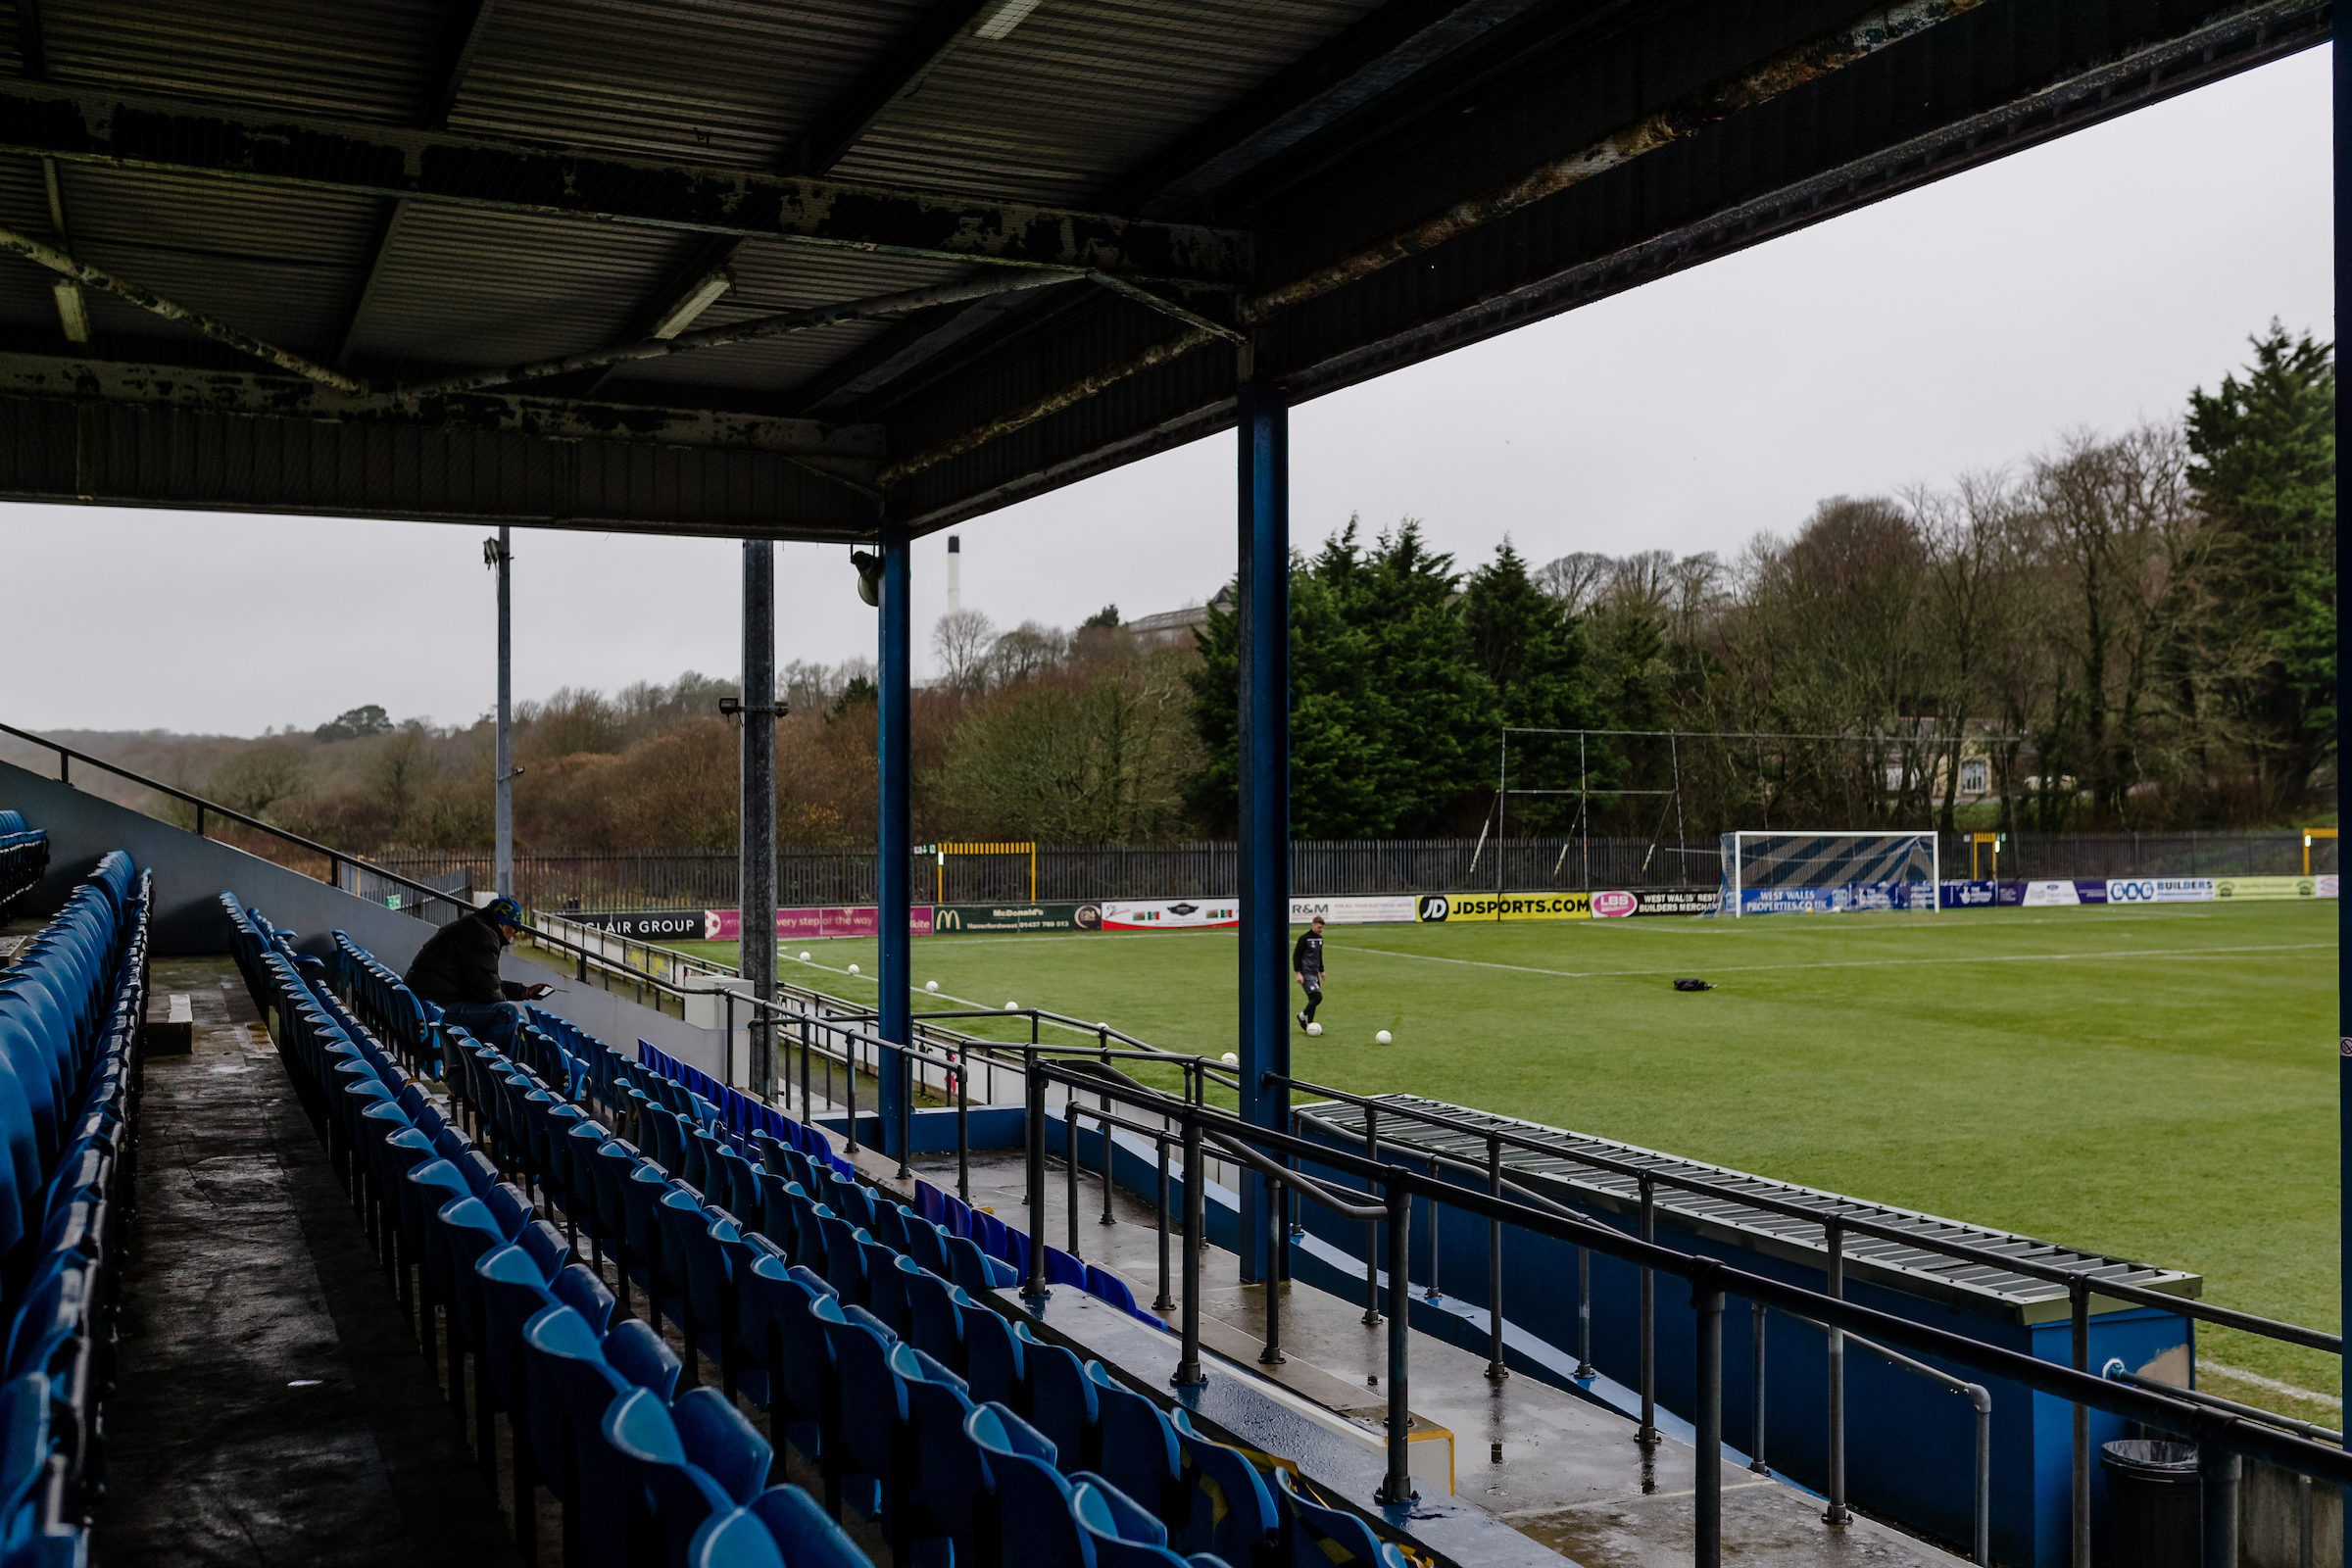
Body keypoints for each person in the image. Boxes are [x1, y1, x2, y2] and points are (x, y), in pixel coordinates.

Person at [403, 895, 552, 1049]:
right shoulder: (484, 936)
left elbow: (485, 982)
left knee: (501, 1011)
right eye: (515, 927)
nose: (516, 933)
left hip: (423, 1003)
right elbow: (488, 992)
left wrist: (524, 992)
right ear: (502, 924)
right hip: (436, 1006)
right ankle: (485, 1065)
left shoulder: (472, 927)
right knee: (508, 1014)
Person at [1294, 914, 1327, 1032]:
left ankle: (1310, 1025)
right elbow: (1296, 955)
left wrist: (1321, 971)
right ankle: (1302, 1016)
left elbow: (1319, 956)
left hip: (1314, 973)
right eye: (1318, 928)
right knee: (1317, 997)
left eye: (1322, 928)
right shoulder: (1304, 939)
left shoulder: (1320, 939)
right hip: (1306, 973)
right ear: (1313, 925)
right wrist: (1298, 972)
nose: (1320, 930)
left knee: (1312, 999)